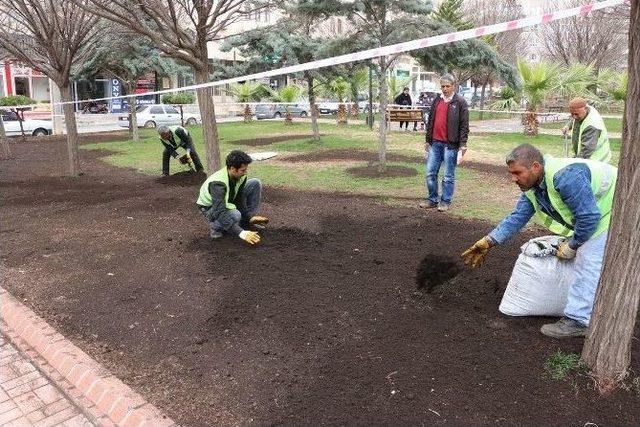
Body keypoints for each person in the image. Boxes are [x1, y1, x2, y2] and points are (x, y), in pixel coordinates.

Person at [461, 143, 617, 339]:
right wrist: (489, 241)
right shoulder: (533, 187)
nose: (513, 178)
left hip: (614, 207)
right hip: (597, 211)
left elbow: (589, 218)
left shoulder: (565, 178)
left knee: (588, 259)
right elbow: (518, 217)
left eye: (517, 172)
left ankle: (579, 320)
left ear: (535, 167)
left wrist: (573, 244)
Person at [196, 150, 269, 244]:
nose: (245, 172)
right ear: (233, 169)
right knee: (235, 214)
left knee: (255, 183)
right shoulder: (218, 184)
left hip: (226, 201)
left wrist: (249, 217)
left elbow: (239, 198)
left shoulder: (240, 176)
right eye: (243, 170)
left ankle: (246, 223)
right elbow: (219, 212)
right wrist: (242, 233)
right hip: (210, 208)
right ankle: (215, 228)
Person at [420, 74, 470, 212]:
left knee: (448, 176)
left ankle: (445, 201)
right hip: (435, 144)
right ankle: (432, 199)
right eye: (443, 86)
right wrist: (427, 140)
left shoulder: (460, 102)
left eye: (448, 86)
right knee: (430, 173)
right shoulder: (437, 101)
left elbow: (464, 125)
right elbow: (430, 122)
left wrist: (462, 144)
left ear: (453, 86)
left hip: (451, 145)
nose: (445, 89)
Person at [562, 97, 612, 163]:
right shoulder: (585, 110)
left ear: (585, 108)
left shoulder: (592, 125)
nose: (574, 117)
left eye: (576, 114)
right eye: (572, 114)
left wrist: (574, 163)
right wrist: (568, 125)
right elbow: (574, 117)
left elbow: (585, 152)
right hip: (585, 157)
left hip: (596, 160)